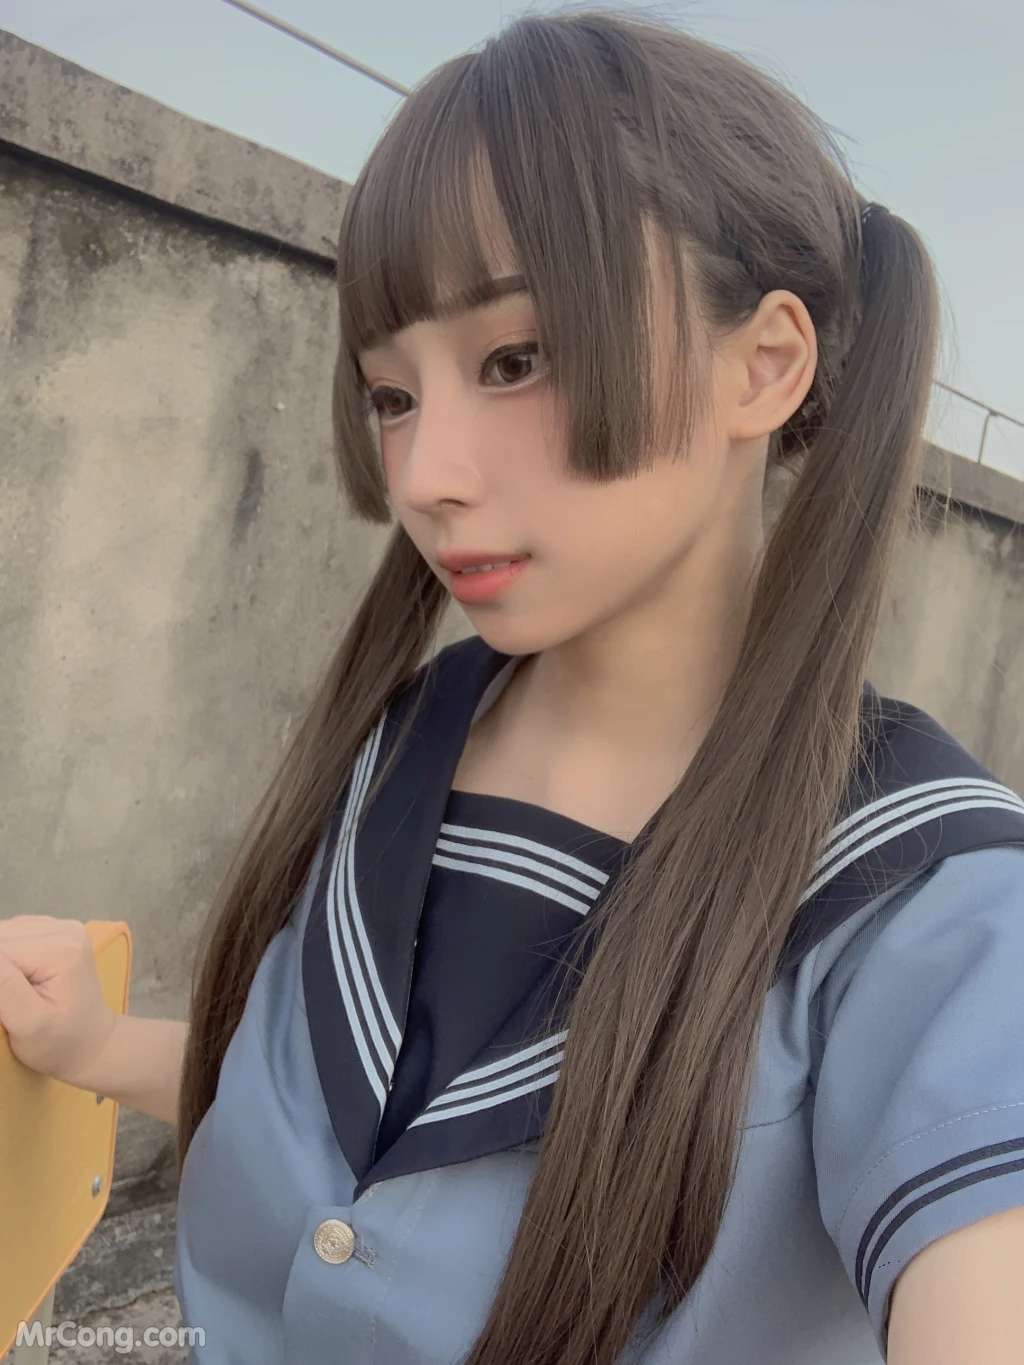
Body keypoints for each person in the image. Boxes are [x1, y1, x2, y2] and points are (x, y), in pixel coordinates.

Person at [1, 8, 1022, 1364]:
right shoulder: (401, 739)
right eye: (392, 395)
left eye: (516, 360)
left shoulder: (924, 900)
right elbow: (325, 1130)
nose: (425, 476)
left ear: (765, 365)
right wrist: (93, 1045)